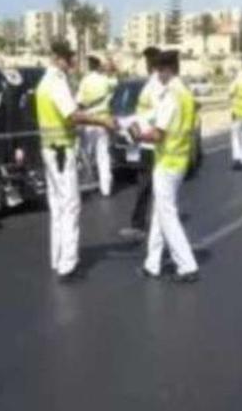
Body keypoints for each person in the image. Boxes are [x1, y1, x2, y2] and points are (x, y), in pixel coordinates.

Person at [36, 42, 114, 281]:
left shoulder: (44, 82)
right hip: (61, 151)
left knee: (58, 207)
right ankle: (68, 266)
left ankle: (57, 258)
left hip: (49, 150)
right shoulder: (57, 83)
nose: (72, 62)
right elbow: (72, 116)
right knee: (70, 206)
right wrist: (102, 121)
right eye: (69, 58)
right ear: (59, 59)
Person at [132, 50, 200, 283]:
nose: (157, 75)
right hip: (179, 160)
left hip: (167, 162)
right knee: (160, 214)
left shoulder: (171, 96)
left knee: (168, 216)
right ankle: (152, 264)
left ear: (169, 69)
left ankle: (187, 265)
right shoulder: (186, 93)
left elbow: (158, 134)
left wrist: (138, 136)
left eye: (160, 70)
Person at [119, 46, 163, 242]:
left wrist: (139, 130)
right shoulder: (151, 84)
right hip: (145, 142)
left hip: (151, 143)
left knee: (147, 185)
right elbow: (143, 114)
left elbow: (157, 116)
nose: (146, 64)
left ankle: (142, 226)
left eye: (148, 60)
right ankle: (144, 224)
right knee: (146, 185)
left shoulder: (157, 86)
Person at [77, 55, 117, 197]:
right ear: (99, 65)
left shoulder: (84, 81)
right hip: (103, 121)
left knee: (87, 153)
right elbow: (115, 79)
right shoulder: (106, 81)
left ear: (90, 65)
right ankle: (106, 188)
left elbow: (79, 102)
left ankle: (87, 182)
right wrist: (111, 66)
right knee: (103, 155)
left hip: (89, 121)